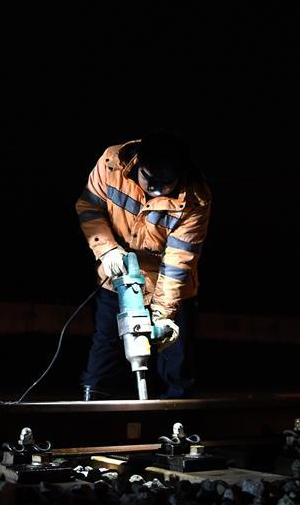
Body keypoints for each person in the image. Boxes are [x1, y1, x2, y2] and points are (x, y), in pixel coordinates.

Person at [75, 130, 211, 400]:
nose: (157, 190)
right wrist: (107, 250)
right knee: (105, 352)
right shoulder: (110, 163)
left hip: (171, 288)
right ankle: (93, 409)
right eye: (151, 181)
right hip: (118, 279)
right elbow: (89, 207)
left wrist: (163, 315)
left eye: (166, 184)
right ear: (137, 162)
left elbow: (178, 261)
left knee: (177, 364)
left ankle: (176, 427)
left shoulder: (195, 198)